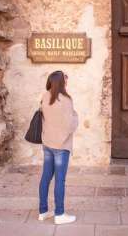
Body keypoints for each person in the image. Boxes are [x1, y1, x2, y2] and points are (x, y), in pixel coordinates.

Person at [38, 70, 78, 225]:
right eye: (65, 79)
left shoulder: (45, 96)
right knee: (60, 180)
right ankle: (59, 214)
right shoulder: (66, 100)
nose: (67, 81)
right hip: (61, 145)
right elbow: (70, 124)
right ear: (61, 82)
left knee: (46, 177)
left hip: (47, 143)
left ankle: (43, 212)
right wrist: (76, 116)